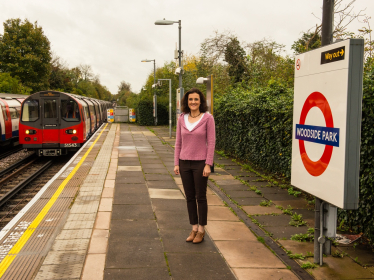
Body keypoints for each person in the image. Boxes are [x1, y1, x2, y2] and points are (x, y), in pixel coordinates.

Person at [174, 88, 216, 244]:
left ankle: (201, 230)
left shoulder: (207, 118)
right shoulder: (181, 118)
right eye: (190, 99)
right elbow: (178, 142)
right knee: (189, 197)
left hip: (200, 163)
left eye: (196, 99)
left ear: (201, 102)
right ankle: (193, 227)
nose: (193, 102)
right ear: (187, 102)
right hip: (184, 162)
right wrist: (176, 163)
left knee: (201, 197)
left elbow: (211, 142)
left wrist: (208, 164)